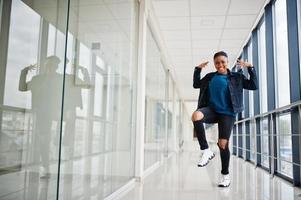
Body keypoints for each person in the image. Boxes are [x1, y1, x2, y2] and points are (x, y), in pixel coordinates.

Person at [191, 51, 257, 187]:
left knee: (222, 144)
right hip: (212, 110)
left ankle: (225, 176)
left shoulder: (237, 77)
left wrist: (250, 68)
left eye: (223, 62)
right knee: (196, 115)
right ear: (214, 64)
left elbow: (253, 85)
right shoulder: (210, 77)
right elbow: (196, 84)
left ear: (227, 62)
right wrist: (197, 70)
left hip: (228, 113)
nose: (220, 64)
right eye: (217, 62)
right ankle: (206, 151)